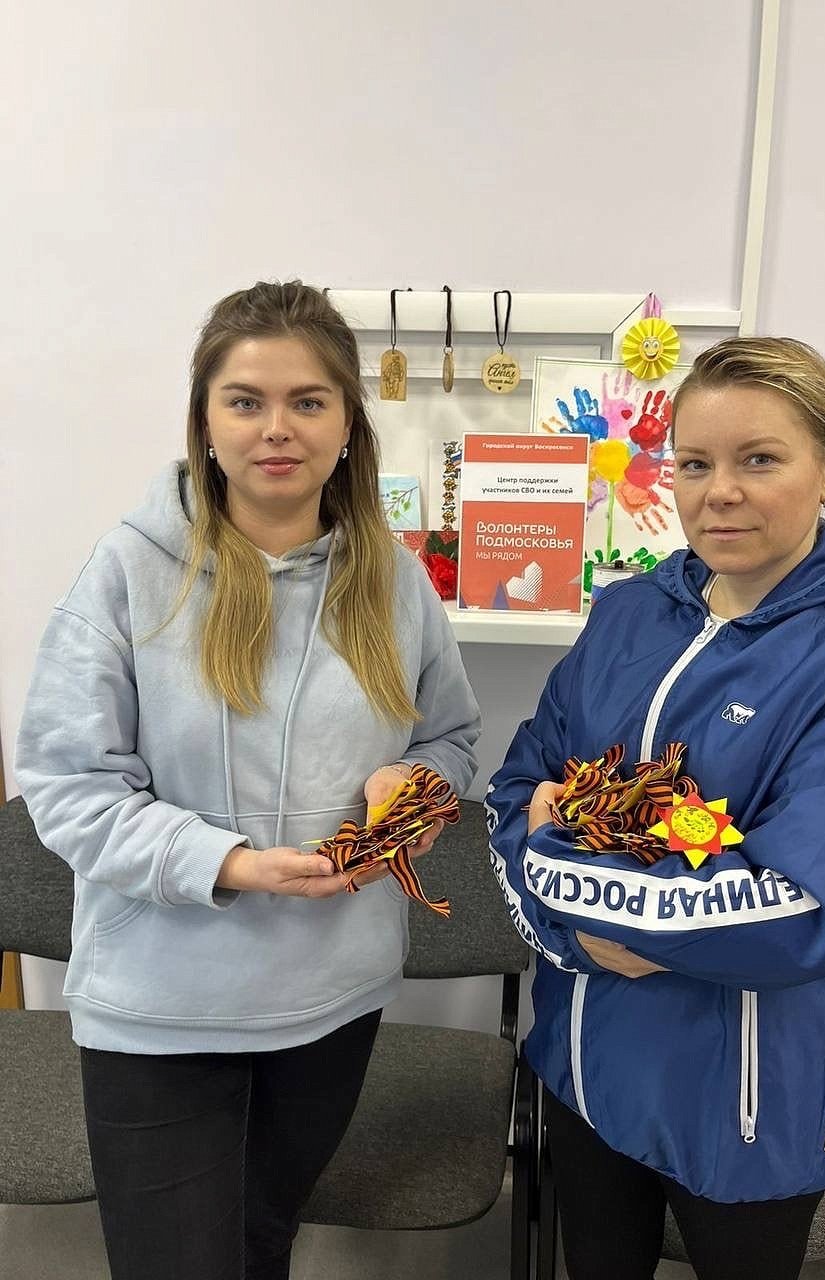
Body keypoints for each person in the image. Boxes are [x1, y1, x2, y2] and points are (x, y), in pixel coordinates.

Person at [15, 280, 480, 1280]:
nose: (278, 428)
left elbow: (450, 739)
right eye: (246, 400)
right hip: (159, 1004)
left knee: (261, 1245)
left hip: (331, 996)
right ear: (205, 421)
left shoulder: (395, 580)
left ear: (349, 425)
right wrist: (225, 862)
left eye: (308, 400)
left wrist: (415, 789)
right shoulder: (128, 571)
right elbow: (67, 783)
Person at [486, 337, 825, 1280]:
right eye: (694, 463)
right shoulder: (627, 615)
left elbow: (797, 906)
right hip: (584, 1061)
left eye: (759, 460)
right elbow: (515, 792)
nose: (719, 492)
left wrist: (570, 878)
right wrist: (578, 938)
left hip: (749, 1098)